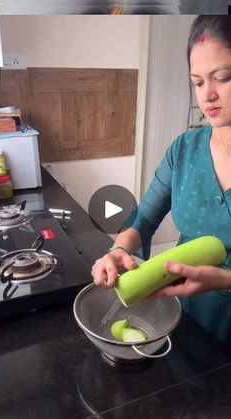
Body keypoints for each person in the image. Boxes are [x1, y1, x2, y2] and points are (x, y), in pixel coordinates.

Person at [91, 15, 231, 345]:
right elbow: (144, 220)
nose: (207, 94)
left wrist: (226, 280)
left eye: (223, 77)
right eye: (197, 82)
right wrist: (117, 251)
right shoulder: (183, 150)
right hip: (182, 319)